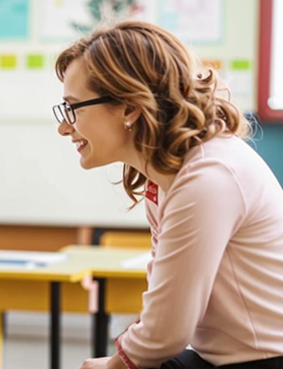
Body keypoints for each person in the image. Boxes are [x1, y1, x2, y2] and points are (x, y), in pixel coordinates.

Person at [53, 21, 283, 369]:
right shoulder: (168, 175)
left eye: (74, 108)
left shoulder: (208, 177)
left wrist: (114, 365)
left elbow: (166, 333)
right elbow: (163, 312)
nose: (64, 126)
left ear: (129, 107)